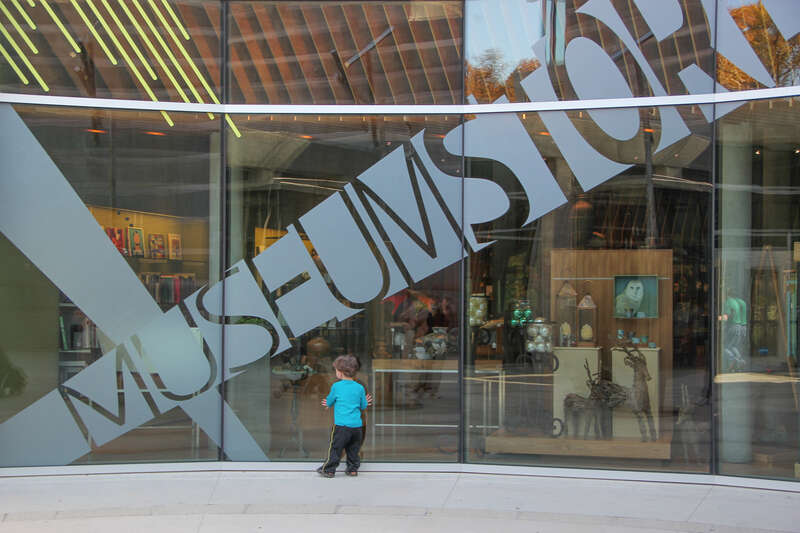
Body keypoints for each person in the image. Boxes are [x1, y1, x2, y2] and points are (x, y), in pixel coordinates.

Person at [317, 354, 370, 477]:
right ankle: (352, 469)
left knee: (336, 448)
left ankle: (329, 470)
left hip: (342, 426)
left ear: (340, 373)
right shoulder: (360, 387)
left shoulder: (336, 386)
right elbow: (363, 406)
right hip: (357, 427)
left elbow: (330, 400)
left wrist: (328, 403)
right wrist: (366, 401)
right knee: (353, 450)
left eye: (336, 370)